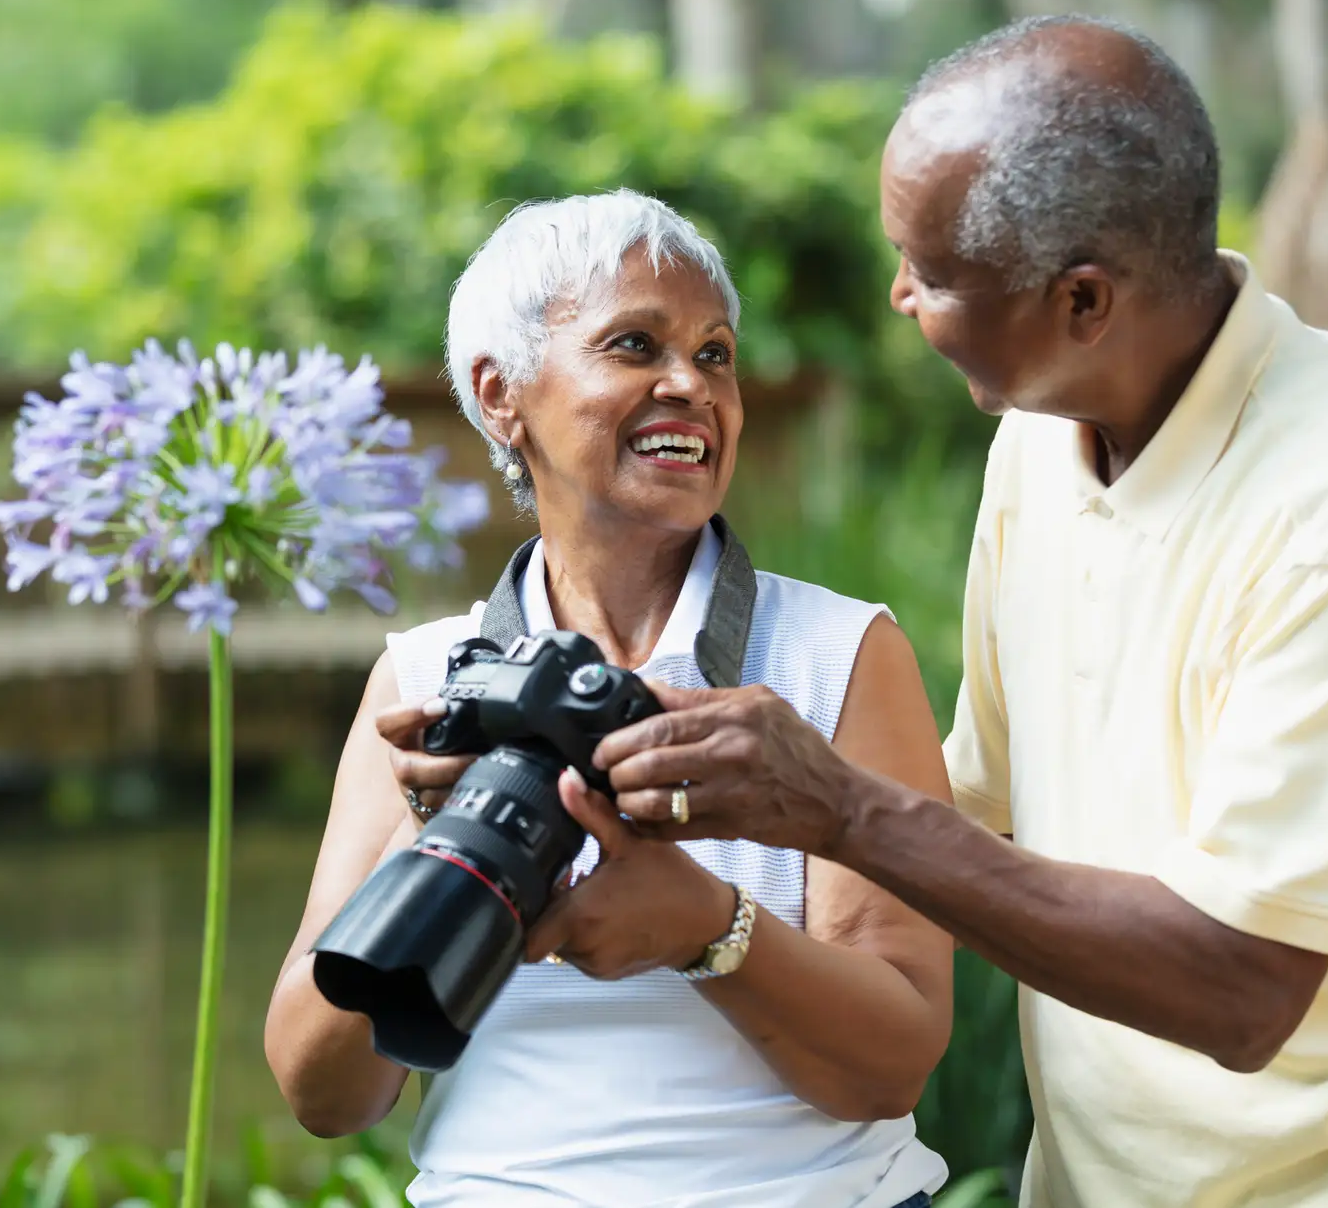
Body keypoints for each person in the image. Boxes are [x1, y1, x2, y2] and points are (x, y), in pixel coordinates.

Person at [592, 16, 1328, 1207]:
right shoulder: (1041, 436)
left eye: (928, 274)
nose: (896, 296)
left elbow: (1240, 989)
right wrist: (620, 789)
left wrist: (832, 806)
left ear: (1081, 300)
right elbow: (979, 823)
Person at [264, 189, 955, 1207]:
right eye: (635, 345)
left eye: (713, 354)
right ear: (502, 395)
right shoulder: (426, 679)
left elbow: (891, 1063)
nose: (690, 384)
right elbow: (323, 1092)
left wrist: (706, 930)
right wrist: (434, 843)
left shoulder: (837, 652)